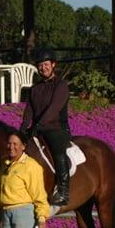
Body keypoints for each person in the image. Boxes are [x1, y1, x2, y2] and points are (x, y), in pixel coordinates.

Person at [20, 47, 71, 205]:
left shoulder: (61, 86)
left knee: (56, 147)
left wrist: (39, 125)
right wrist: (22, 130)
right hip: (37, 129)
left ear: (53, 64)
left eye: (46, 64)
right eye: (40, 65)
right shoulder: (34, 89)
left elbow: (54, 109)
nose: (43, 68)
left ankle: (63, 190)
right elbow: (29, 111)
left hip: (56, 128)